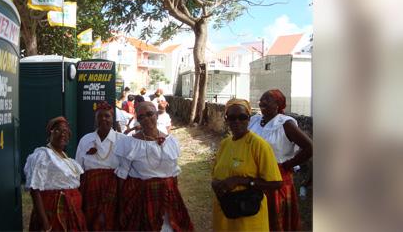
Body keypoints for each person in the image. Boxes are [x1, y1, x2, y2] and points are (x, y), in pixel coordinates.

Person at [114, 101, 193, 231]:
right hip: (141, 197)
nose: (146, 119)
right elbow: (122, 177)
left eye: (150, 114)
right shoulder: (129, 143)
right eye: (141, 117)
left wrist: (175, 197)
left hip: (167, 196)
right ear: (137, 120)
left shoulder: (171, 142)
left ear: (156, 115)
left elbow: (174, 175)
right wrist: (122, 205)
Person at [211, 99, 282, 231]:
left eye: (242, 117)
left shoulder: (259, 145)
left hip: (247, 216)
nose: (237, 121)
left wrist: (241, 181)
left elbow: (276, 183)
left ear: (249, 118)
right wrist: (215, 183)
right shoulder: (225, 144)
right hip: (224, 211)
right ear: (226, 119)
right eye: (232, 117)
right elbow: (216, 172)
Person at [249, 89, 313, 231]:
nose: (262, 102)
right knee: (254, 213)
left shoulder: (285, 124)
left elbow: (309, 147)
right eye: (261, 99)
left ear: (278, 105)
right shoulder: (255, 120)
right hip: (254, 175)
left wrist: (287, 165)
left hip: (276, 176)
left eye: (267, 99)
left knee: (275, 217)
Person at [23, 116, 87, 231]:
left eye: (65, 131)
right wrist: (45, 224)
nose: (62, 134)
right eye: (57, 130)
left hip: (71, 214)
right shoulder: (42, 156)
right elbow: (35, 191)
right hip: (53, 214)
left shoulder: (66, 158)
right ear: (50, 134)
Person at [75, 101, 125, 231]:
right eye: (100, 116)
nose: (103, 119)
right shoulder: (85, 140)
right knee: (90, 222)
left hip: (113, 190)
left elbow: (126, 169)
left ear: (112, 119)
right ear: (95, 119)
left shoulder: (122, 140)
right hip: (90, 189)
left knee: (111, 222)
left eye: (107, 116)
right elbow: (78, 169)